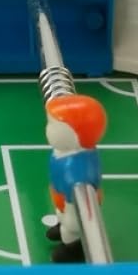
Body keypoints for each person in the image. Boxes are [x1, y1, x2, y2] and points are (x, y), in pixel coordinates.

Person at [44, 93, 107, 264]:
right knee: (62, 215)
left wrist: (73, 219)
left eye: (53, 126)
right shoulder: (63, 152)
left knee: (71, 227)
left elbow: (79, 195)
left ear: (76, 135)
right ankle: (63, 225)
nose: (47, 130)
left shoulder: (79, 168)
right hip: (60, 196)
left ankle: (72, 247)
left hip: (73, 203)